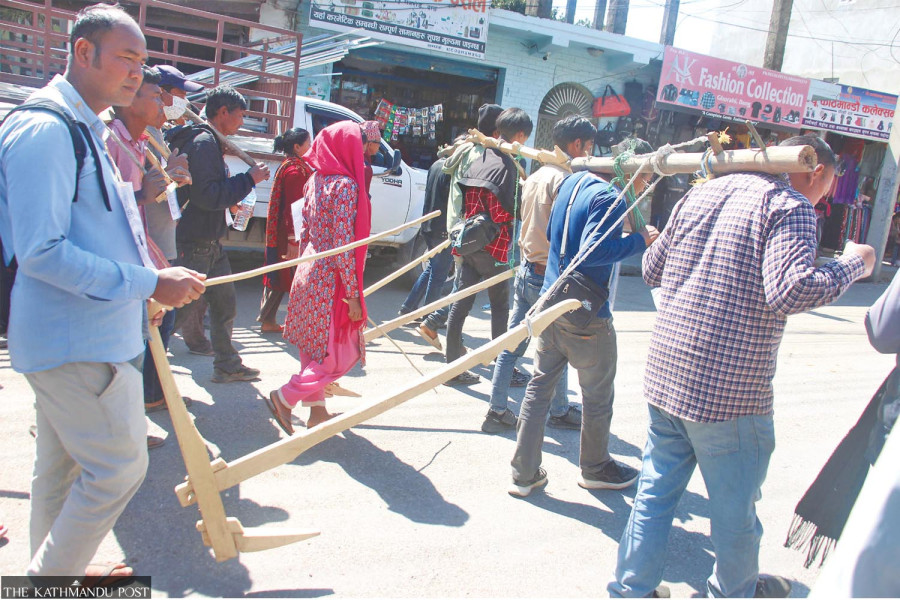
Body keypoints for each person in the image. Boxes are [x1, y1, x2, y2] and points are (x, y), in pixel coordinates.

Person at [608, 135, 876, 599]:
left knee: (654, 492)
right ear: (813, 171)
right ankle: (732, 593)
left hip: (668, 375)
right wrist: (853, 265)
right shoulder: (789, 207)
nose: (828, 195)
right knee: (734, 513)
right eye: (830, 184)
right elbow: (791, 291)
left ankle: (631, 590)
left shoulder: (703, 190)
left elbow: (651, 270)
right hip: (729, 395)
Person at [0, 3, 204, 577]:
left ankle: (56, 571)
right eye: (127, 59)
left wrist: (149, 281)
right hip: (74, 338)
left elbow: (109, 226)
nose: (138, 74)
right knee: (118, 469)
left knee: (61, 470)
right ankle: (45, 584)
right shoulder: (46, 129)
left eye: (142, 62)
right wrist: (147, 282)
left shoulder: (90, 125)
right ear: (82, 53)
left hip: (89, 332)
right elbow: (41, 251)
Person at [509, 156, 659, 497]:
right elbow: (594, 251)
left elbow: (551, 233)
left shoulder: (571, 182)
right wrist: (640, 241)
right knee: (597, 397)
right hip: (586, 314)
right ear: (632, 172)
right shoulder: (609, 196)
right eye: (645, 180)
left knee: (539, 388)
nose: (644, 189)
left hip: (551, 300)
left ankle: (523, 473)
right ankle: (594, 468)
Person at [483, 116, 596, 434]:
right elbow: (568, 234)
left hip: (527, 269)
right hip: (547, 276)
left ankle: (498, 409)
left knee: (515, 345)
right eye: (587, 147)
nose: (589, 152)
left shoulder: (536, 176)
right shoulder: (566, 181)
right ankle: (557, 411)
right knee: (555, 347)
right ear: (576, 145)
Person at [264, 121, 371, 433]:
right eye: (358, 145)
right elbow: (343, 245)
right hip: (331, 280)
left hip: (307, 270)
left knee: (313, 348)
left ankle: (317, 412)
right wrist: (352, 294)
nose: (362, 151)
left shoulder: (314, 180)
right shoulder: (346, 187)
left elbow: (305, 230)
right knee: (338, 355)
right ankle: (285, 397)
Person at [106, 65, 193, 436]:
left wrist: (173, 181)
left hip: (143, 253)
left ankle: (127, 418)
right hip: (119, 265)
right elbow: (112, 213)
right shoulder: (111, 140)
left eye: (163, 94)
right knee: (122, 348)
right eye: (156, 95)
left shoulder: (142, 141)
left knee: (140, 338)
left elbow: (146, 206)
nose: (165, 103)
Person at [169, 85, 270, 383]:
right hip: (195, 241)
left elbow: (213, 193)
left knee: (224, 304)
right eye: (239, 116)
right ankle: (144, 372)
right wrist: (248, 180)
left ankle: (227, 364)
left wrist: (234, 194)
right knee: (175, 312)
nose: (241, 123)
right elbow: (207, 196)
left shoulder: (211, 142)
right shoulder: (203, 143)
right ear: (223, 113)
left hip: (210, 242)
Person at [442, 107, 532, 386]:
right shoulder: (507, 167)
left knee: (461, 303)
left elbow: (470, 202)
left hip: (469, 243)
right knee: (500, 308)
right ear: (518, 135)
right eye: (525, 137)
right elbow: (505, 213)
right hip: (494, 248)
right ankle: (501, 367)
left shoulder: (479, 158)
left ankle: (452, 366)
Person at [416, 104, 504, 351]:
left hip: (458, 225)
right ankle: (437, 328)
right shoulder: (482, 155)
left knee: (463, 286)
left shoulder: (466, 150)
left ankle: (437, 327)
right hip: (472, 229)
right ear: (497, 131)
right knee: (463, 290)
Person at [397, 135, 465, 317]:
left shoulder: (437, 164)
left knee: (431, 270)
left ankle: (408, 308)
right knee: (438, 275)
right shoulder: (452, 169)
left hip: (429, 225)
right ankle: (428, 317)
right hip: (442, 228)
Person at [258, 128, 313, 333]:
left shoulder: (291, 166)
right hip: (287, 233)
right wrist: (292, 240)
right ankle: (288, 322)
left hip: (283, 232)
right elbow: (294, 207)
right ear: (297, 147)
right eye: (308, 143)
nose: (311, 147)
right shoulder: (295, 172)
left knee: (280, 275)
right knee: (286, 276)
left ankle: (268, 318)